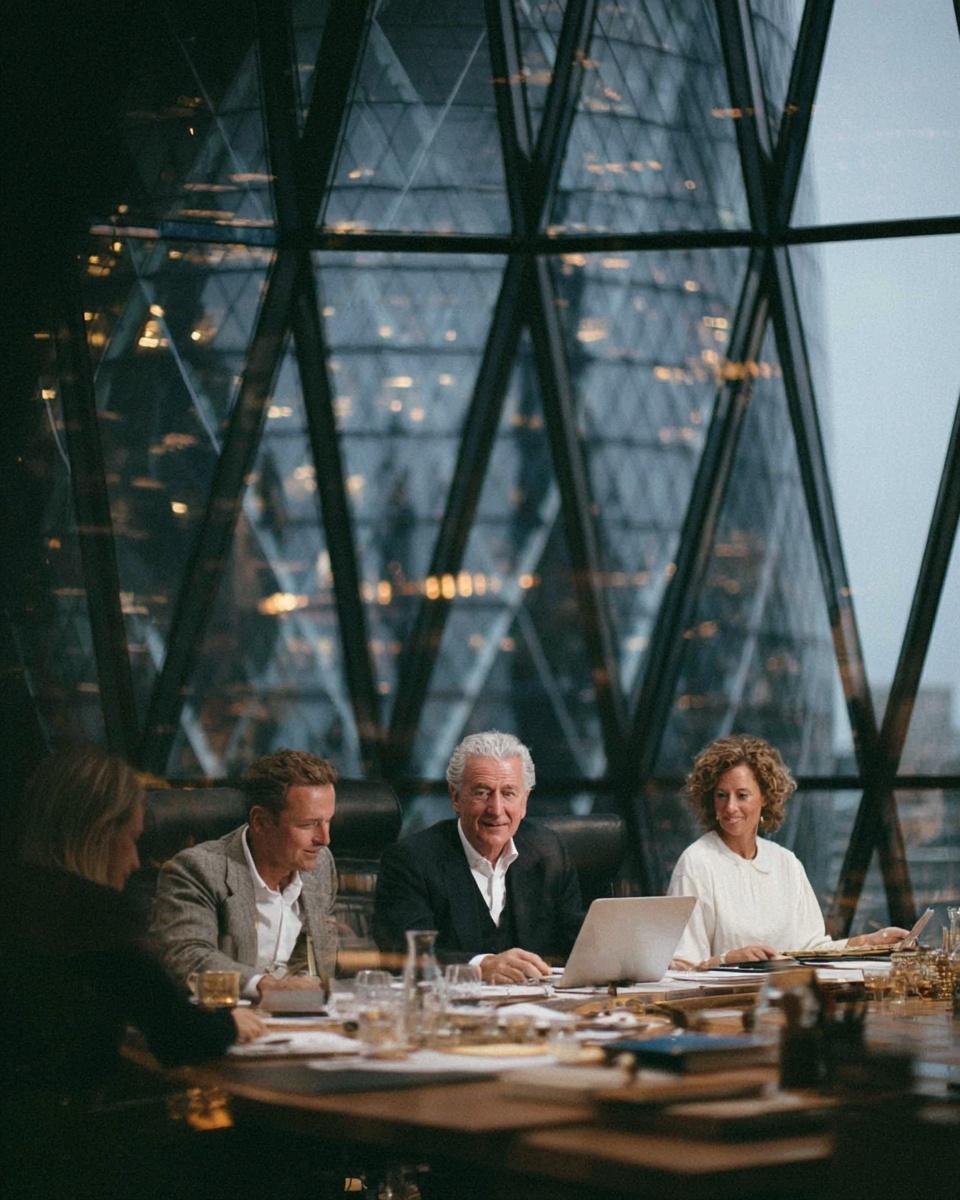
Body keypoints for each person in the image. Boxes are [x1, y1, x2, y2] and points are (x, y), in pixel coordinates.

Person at [0, 747, 265, 1199]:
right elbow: (179, 1036)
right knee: (236, 1132)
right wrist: (231, 1021)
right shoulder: (94, 917)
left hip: (21, 1136)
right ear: (101, 834)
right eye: (133, 840)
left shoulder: (17, 896)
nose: (136, 862)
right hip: (78, 1141)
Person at [667, 734, 908, 968]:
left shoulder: (786, 863)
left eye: (742, 795)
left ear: (765, 797)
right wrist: (726, 960)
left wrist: (869, 942)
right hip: (721, 1005)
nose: (730, 807)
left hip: (784, 1001)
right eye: (721, 795)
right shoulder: (696, 863)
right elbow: (681, 965)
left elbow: (812, 950)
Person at [372, 731, 584, 983]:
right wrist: (480, 966)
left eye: (508, 793)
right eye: (482, 793)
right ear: (455, 797)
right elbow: (404, 954)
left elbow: (580, 946)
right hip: (453, 1014)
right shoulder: (411, 860)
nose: (496, 810)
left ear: (525, 801)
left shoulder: (549, 852)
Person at [151, 748, 339, 997]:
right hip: (229, 1022)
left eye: (328, 821)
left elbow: (319, 964)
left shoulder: (321, 864)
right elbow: (188, 956)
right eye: (308, 824)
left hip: (303, 1021)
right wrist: (264, 985)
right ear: (261, 822)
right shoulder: (197, 870)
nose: (325, 839)